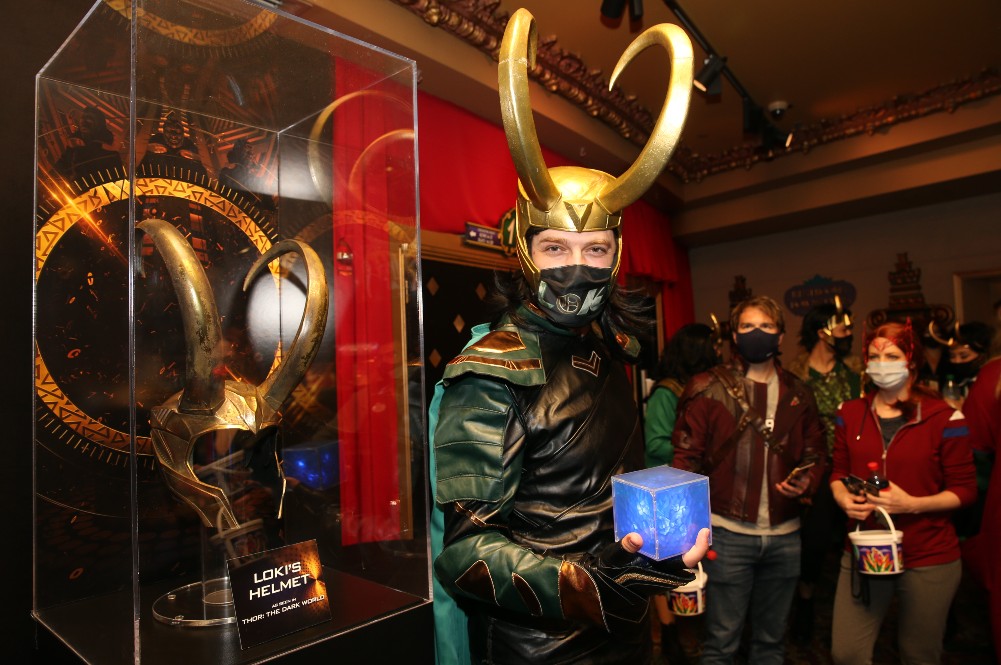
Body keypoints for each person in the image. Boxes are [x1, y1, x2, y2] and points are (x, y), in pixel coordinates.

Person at [429, 9, 709, 663]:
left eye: (594, 248)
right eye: (555, 247)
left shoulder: (614, 349)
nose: (576, 266)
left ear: (616, 255)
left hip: (624, 631)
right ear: (524, 250)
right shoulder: (490, 371)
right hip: (539, 646)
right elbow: (466, 554)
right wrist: (593, 586)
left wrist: (653, 549)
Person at [672, 295, 827, 665]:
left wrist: (807, 481)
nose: (757, 333)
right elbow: (685, 463)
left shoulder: (799, 393)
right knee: (721, 644)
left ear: (781, 336)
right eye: (747, 326)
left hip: (785, 535)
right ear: (735, 336)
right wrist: (683, 534)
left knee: (772, 643)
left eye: (766, 326)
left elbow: (817, 452)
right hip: (727, 534)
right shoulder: (707, 388)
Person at [829, 321, 977, 665]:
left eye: (892, 356)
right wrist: (841, 496)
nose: (882, 363)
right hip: (866, 549)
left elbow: (966, 490)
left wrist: (911, 504)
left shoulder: (945, 417)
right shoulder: (850, 413)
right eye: (874, 356)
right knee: (847, 653)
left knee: (919, 654)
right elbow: (838, 472)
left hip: (928, 554)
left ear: (911, 360)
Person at [643, 323, 720, 664]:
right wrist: (699, 450)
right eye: (712, 347)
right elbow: (655, 444)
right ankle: (670, 631)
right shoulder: (667, 392)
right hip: (668, 490)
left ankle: (691, 629)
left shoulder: (708, 389)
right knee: (664, 563)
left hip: (693, 486)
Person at [786, 299, 861, 643]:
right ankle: (805, 599)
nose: (848, 333)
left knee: (857, 537)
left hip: (852, 468)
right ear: (822, 332)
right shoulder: (795, 375)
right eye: (842, 327)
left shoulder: (856, 373)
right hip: (814, 468)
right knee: (814, 542)